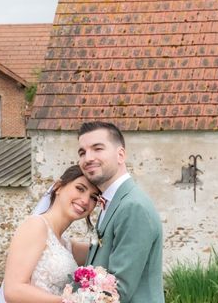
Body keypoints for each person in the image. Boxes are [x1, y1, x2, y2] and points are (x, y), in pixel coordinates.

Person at [78, 121, 164, 303]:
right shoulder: (112, 202)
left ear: (121, 155)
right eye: (82, 152)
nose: (88, 158)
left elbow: (117, 291)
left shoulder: (133, 207)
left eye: (98, 148)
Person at [0, 165, 100, 303]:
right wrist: (69, 301)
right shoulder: (36, 226)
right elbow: (13, 290)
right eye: (80, 189)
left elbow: (105, 251)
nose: (85, 201)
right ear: (58, 187)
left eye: (94, 197)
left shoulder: (67, 245)